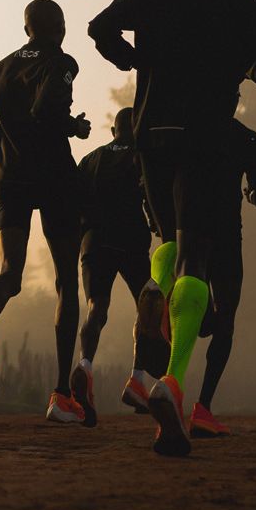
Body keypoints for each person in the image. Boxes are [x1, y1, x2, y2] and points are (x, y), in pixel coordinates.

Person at [89, 0, 256, 456]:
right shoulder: (241, 1)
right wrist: (242, 63)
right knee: (198, 258)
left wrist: (130, 58)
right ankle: (172, 385)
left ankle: (153, 292)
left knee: (169, 243)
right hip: (209, 139)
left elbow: (98, 27)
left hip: (152, 137)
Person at [0, 0, 95, 426]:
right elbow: (48, 110)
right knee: (65, 284)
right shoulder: (63, 62)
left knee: (9, 272)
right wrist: (73, 126)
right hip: (54, 177)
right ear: (59, 27)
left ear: (26, 30)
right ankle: (60, 395)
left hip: (10, 178)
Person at [75, 107, 166, 423]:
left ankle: (84, 365)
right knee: (148, 308)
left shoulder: (91, 159)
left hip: (94, 240)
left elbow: (74, 201)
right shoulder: (142, 154)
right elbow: (153, 194)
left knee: (96, 309)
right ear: (137, 126)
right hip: (130, 240)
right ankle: (137, 380)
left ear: (113, 131)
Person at [189, 117, 256, 438]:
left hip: (189, 234)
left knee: (199, 314)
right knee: (225, 321)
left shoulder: (188, 130)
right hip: (225, 236)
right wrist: (251, 195)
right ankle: (203, 407)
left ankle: (167, 387)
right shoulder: (246, 138)